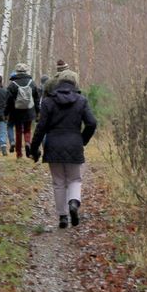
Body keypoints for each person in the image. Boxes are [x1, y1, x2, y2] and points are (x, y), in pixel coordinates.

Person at [28, 69, 97, 228]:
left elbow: (41, 127)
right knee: (75, 179)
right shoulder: (81, 100)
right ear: (75, 83)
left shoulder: (48, 101)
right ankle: (73, 203)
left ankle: (63, 217)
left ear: (59, 83)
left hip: (53, 145)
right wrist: (82, 139)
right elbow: (92, 123)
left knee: (58, 182)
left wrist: (34, 148)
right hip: (74, 144)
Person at [5, 63, 38, 159]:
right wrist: (37, 111)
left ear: (17, 71)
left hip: (16, 112)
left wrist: (6, 113)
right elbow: (36, 98)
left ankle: (19, 154)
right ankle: (27, 142)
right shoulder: (32, 83)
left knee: (18, 131)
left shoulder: (12, 84)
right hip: (29, 110)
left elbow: (8, 101)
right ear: (26, 71)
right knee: (27, 129)